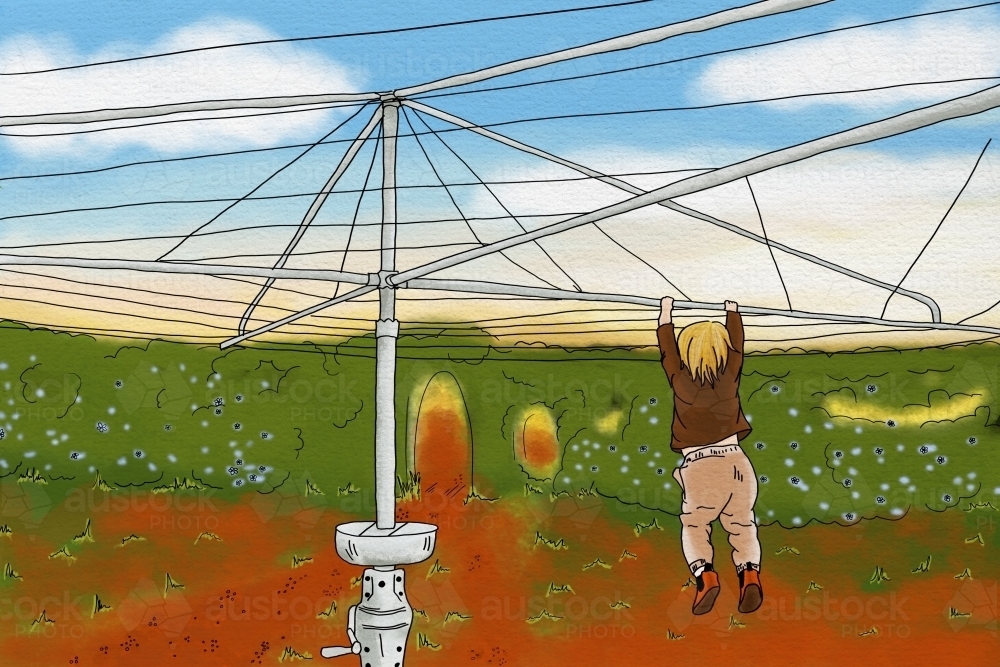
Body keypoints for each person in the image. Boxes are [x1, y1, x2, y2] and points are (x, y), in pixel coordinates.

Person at [657, 296, 762, 616]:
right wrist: (733, 313)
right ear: (723, 350)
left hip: (701, 466)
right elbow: (738, 347)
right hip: (737, 461)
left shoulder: (680, 379)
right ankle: (750, 574)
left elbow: (667, 351)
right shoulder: (729, 375)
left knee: (695, 524)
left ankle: (706, 574)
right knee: (742, 524)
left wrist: (665, 313)